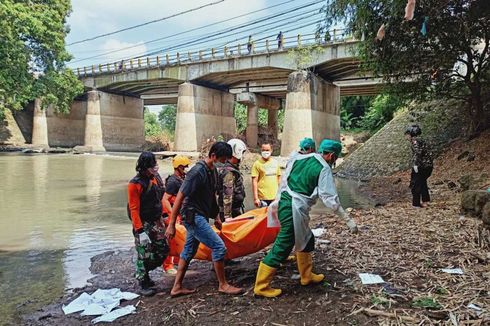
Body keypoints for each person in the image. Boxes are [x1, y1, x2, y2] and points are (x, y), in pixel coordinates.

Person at [253, 139, 358, 298]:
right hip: (293, 208)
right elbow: (330, 199)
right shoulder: (323, 168)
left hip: (286, 203)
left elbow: (284, 179)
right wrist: (348, 220)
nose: (333, 160)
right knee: (284, 244)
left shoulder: (298, 157)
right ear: (330, 155)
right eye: (334, 157)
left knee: (307, 238)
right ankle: (261, 286)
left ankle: (306, 276)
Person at [165, 142, 244, 296]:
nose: (223, 162)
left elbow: (211, 196)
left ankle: (176, 287)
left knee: (189, 249)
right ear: (213, 155)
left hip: (199, 214)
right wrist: (172, 224)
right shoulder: (197, 172)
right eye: (221, 159)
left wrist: (217, 217)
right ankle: (223, 284)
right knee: (219, 247)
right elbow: (180, 196)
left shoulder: (212, 170)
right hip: (192, 215)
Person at [127, 152, 169, 296]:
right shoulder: (135, 184)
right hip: (143, 223)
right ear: (145, 166)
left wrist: (164, 216)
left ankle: (144, 271)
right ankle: (143, 280)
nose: (155, 167)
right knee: (143, 253)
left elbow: (159, 199)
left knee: (163, 249)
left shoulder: (156, 179)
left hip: (156, 220)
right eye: (152, 165)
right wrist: (139, 230)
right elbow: (134, 209)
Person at [162, 155, 191, 274]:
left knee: (181, 238)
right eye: (184, 167)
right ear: (178, 167)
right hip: (173, 215)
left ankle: (179, 262)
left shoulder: (181, 178)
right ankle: (168, 266)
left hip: (180, 214)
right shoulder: (173, 181)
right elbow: (164, 199)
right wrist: (172, 215)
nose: (186, 169)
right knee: (171, 240)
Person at [217, 139, 247, 220]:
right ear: (237, 151)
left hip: (234, 210)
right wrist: (228, 217)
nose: (243, 156)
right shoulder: (229, 172)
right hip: (230, 213)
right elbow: (227, 195)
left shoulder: (230, 169)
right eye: (242, 152)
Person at [404, 125, 433, 208]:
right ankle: (425, 201)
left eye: (407, 134)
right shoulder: (422, 140)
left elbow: (418, 153)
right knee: (423, 183)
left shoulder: (415, 141)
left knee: (415, 184)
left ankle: (416, 203)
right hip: (428, 165)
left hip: (421, 166)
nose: (406, 137)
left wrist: (415, 164)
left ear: (411, 134)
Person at [251, 143, 281, 208]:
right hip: (262, 199)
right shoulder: (257, 164)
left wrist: (280, 195)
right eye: (263, 150)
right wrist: (256, 198)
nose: (265, 152)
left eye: (267, 150)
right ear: (261, 150)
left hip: (275, 198)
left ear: (271, 150)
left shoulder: (276, 163)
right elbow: (254, 181)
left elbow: (279, 180)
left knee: (274, 217)